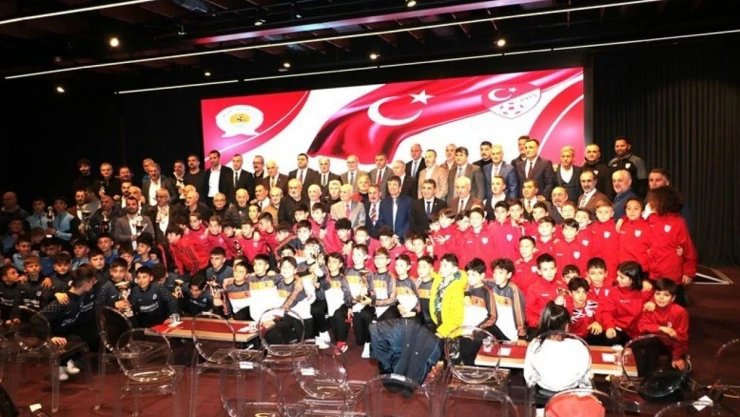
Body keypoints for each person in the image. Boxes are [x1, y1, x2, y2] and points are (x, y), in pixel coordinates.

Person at [523, 302, 591, 397]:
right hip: (571, 397)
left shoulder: (535, 345)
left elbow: (529, 379)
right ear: (567, 326)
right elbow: (586, 378)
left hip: (542, 397)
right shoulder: (579, 346)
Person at [646, 186, 697, 306]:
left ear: (662, 201)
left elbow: (688, 248)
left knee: (674, 306)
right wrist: (623, 220)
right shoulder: (651, 219)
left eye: (653, 199)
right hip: (653, 270)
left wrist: (689, 272)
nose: (650, 202)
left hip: (671, 272)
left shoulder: (678, 222)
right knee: (654, 305)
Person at [637, 278, 689, 370]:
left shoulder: (680, 312)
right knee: (648, 341)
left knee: (676, 373)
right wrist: (660, 328)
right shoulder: (649, 308)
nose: (661, 298)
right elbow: (641, 326)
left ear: (673, 298)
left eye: (666, 295)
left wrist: (676, 356)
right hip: (654, 344)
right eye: (657, 294)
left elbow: (682, 337)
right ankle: (654, 370)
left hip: (673, 345)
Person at [597, 261, 653, 346]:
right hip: (619, 329)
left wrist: (653, 302)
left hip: (637, 332)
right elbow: (607, 312)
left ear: (632, 279)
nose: (618, 279)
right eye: (617, 275)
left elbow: (661, 296)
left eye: (622, 277)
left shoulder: (644, 292)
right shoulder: (614, 291)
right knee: (611, 339)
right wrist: (609, 327)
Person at [428, 254, 468, 339]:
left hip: (449, 330)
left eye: (445, 265)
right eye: (441, 265)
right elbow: (435, 276)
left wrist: (442, 332)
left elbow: (456, 318)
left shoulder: (456, 289)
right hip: (439, 322)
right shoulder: (440, 280)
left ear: (454, 269)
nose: (441, 268)